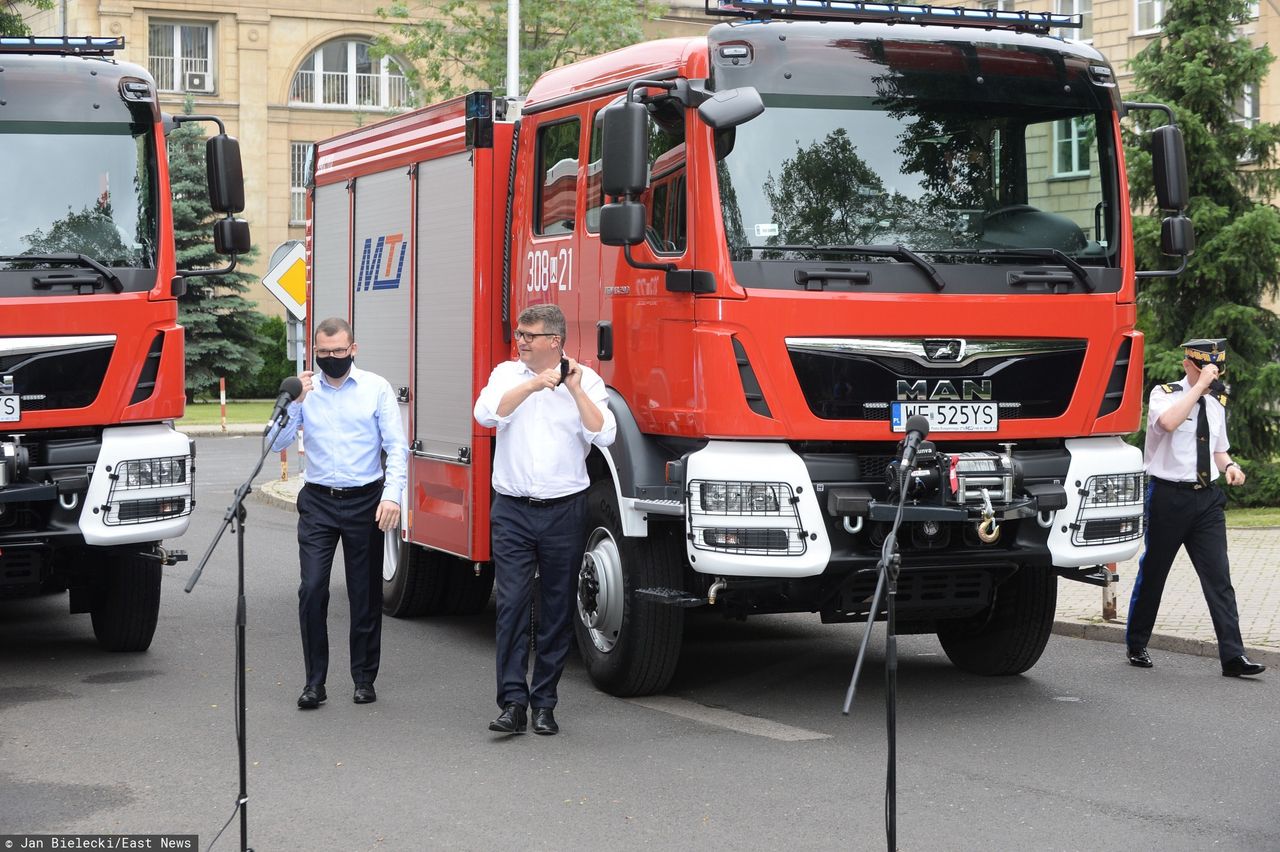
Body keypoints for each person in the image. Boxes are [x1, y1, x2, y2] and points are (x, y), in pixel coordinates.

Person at [473, 304, 617, 735]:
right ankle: (512, 702)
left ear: (554, 341)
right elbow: (486, 414)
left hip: (564, 511)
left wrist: (573, 389)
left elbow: (604, 432)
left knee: (556, 609)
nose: (520, 340)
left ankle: (545, 703)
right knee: (513, 605)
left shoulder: (586, 379)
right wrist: (534, 385)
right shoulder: (506, 374)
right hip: (514, 509)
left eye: (529, 336)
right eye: (519, 333)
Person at [270, 317, 409, 708]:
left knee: (364, 594)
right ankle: (315, 682)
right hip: (318, 500)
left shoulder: (375, 388)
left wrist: (392, 495)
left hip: (366, 499)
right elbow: (275, 440)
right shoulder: (304, 391)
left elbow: (396, 447)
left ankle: (364, 677)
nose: (331, 358)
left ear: (353, 349)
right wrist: (293, 403)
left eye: (338, 351)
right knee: (312, 589)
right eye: (323, 352)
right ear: (314, 351)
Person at [1125, 338, 1265, 678]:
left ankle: (1234, 657)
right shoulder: (1165, 394)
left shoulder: (1217, 402)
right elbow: (1168, 424)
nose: (1213, 375)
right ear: (1188, 363)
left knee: (1219, 579)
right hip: (1168, 497)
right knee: (1154, 572)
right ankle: (1137, 643)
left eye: (1216, 369)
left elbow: (1219, 448)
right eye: (1205, 368)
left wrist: (1230, 465)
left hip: (1207, 501)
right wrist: (1198, 388)